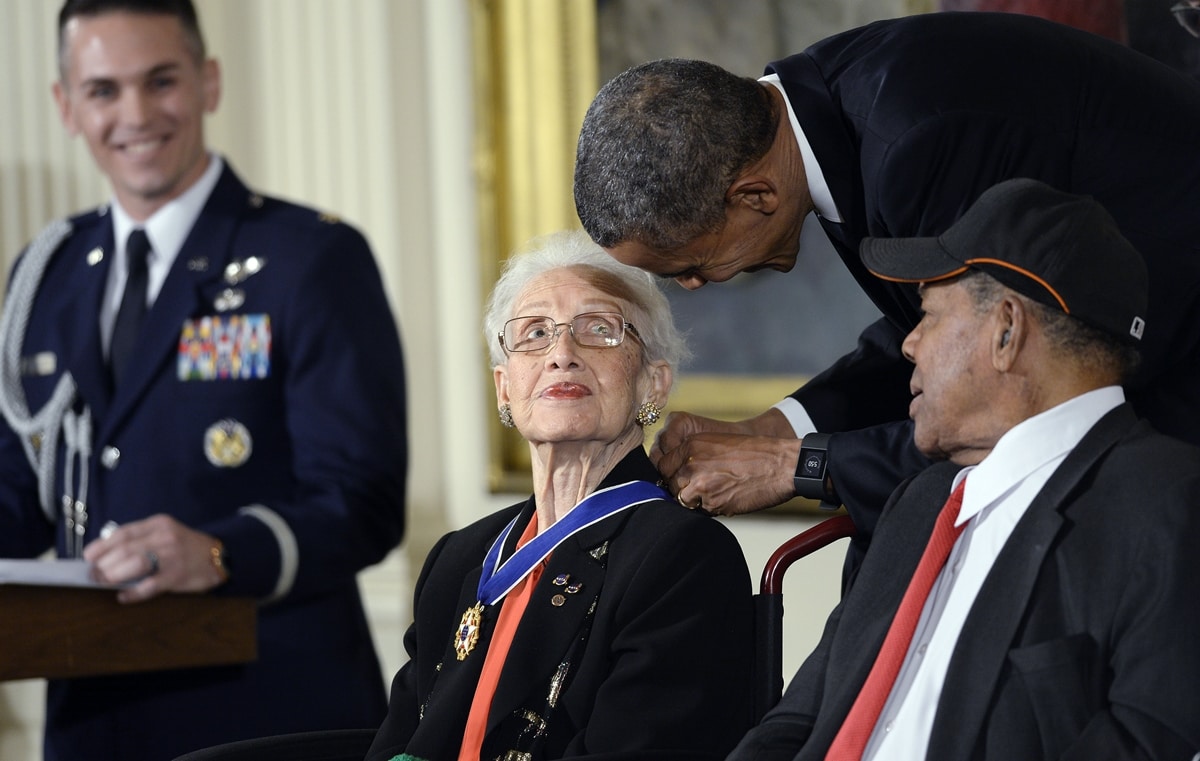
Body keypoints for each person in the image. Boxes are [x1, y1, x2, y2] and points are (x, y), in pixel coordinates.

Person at [573, 11, 1200, 564]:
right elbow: (937, 335)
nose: (693, 285)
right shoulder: (834, 110)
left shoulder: (917, 139)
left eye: (685, 263)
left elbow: (1006, 396)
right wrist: (779, 427)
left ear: (753, 196)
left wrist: (798, 466)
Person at [0, 1, 407, 759]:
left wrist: (221, 551)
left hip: (269, 711)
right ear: (65, 105)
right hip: (93, 715)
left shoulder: (309, 257)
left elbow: (363, 499)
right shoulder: (45, 272)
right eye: (103, 90)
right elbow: (19, 494)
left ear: (208, 81)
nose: (136, 114)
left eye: (161, 81)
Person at [726, 178, 1200, 759]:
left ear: (1005, 331)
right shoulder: (918, 503)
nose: (909, 344)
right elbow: (797, 722)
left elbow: (1150, 740)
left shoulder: (1169, 506)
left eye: (926, 313)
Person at [365, 230, 754, 761]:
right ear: (505, 388)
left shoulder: (683, 559)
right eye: (534, 333)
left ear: (653, 385)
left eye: (599, 330)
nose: (562, 354)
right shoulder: (458, 559)